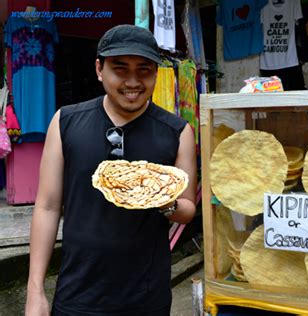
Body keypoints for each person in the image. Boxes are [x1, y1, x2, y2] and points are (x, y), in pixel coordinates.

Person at [25, 24, 197, 315]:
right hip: (77, 295)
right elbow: (48, 207)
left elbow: (188, 208)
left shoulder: (177, 132)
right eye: (120, 69)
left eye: (144, 70)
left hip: (146, 297)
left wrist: (161, 199)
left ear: (156, 73)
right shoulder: (65, 122)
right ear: (99, 69)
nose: (133, 81)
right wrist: (35, 291)